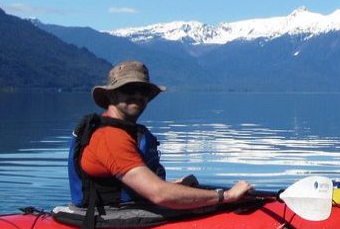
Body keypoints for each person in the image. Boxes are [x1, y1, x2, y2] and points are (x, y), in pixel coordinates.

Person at [69, 60, 254, 213]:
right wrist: (226, 196)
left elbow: (141, 184)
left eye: (144, 91)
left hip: (123, 208)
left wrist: (170, 185)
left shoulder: (120, 131)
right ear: (111, 95)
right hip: (111, 217)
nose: (138, 95)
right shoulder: (110, 137)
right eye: (129, 89)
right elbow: (159, 195)